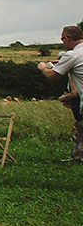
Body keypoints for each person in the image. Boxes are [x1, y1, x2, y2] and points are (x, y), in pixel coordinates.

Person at [38, 24, 83, 162]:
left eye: (62, 39)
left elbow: (52, 75)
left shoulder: (72, 55)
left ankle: (78, 157)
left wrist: (43, 67)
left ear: (67, 38)